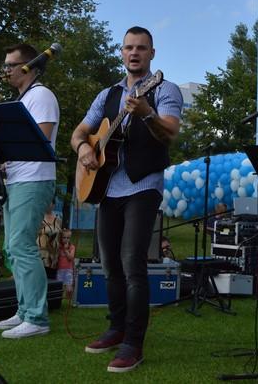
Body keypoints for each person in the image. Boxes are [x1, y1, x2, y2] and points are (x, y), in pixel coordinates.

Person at [71, 26, 182, 373]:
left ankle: (134, 343)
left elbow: (170, 133)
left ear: (152, 54)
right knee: (110, 265)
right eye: (129, 47)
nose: (134, 53)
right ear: (121, 53)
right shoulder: (107, 95)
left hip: (143, 184)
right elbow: (79, 132)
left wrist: (147, 112)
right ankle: (116, 327)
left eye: (141, 48)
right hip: (107, 188)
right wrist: (84, 148)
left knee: (132, 262)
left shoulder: (164, 89)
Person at [0, 43, 60, 339]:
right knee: (11, 248)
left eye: (10, 65)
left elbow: (40, 140)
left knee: (21, 245)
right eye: (5, 65)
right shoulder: (22, 98)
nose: (5, 70)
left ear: (28, 66)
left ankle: (36, 317)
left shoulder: (41, 95)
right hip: (16, 180)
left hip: (33, 179)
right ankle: (24, 309)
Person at [38, 201, 61, 279]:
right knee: (40, 277)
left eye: (49, 202)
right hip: (41, 253)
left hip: (54, 255)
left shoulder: (58, 219)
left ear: (53, 205)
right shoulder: (39, 218)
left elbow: (60, 235)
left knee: (52, 278)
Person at [56, 229, 76, 299]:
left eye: (68, 238)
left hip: (68, 270)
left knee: (69, 289)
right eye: (64, 237)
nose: (66, 239)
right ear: (61, 238)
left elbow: (71, 258)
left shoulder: (72, 247)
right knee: (59, 287)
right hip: (59, 270)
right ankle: (59, 299)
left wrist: (66, 250)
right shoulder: (59, 247)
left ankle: (68, 300)